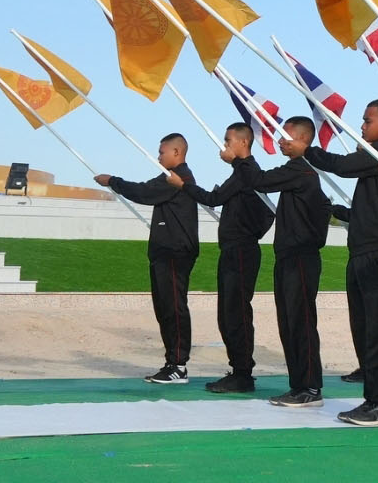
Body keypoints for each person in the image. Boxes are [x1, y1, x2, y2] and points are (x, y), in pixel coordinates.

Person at [309, 100, 378, 427]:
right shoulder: (374, 158)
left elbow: (340, 165)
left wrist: (305, 151)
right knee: (367, 326)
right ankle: (373, 398)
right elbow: (371, 211)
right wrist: (340, 212)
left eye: (367, 121)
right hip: (365, 250)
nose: (362, 127)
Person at [233, 116, 330, 408]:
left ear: (303, 139)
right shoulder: (298, 173)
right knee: (289, 323)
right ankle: (299, 384)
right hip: (289, 256)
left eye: (285, 135)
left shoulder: (299, 170)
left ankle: (310, 387)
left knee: (300, 322)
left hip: (300, 257)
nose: (279, 141)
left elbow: (258, 181)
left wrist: (244, 157)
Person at [96, 134, 200, 384]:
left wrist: (113, 181)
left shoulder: (178, 178)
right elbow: (146, 190)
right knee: (164, 307)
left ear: (177, 152)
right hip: (164, 251)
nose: (158, 157)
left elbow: (143, 192)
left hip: (175, 251)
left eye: (162, 152)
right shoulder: (170, 178)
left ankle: (179, 364)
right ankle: (172, 362)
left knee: (173, 306)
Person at [184, 122, 278, 394]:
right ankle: (238, 369)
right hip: (235, 249)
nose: (224, 147)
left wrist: (186, 185)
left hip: (241, 250)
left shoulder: (246, 173)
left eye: (228, 141)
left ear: (242, 143)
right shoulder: (244, 173)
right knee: (229, 312)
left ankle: (242, 373)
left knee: (235, 311)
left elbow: (214, 198)